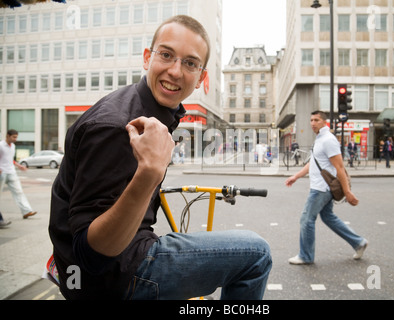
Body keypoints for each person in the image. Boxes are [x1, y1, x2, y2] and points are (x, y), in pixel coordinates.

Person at [49, 15, 271, 300]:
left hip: (115, 261)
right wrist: (149, 173)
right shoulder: (116, 127)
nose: (176, 71)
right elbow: (92, 255)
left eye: (190, 63)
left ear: (201, 77)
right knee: (256, 253)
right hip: (115, 277)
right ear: (147, 58)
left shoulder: (150, 110)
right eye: (166, 55)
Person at [285, 111, 367, 265]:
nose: (313, 123)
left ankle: (306, 256)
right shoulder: (320, 139)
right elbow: (313, 162)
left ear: (324, 122)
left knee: (306, 219)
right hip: (321, 186)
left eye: (317, 120)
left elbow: (340, 167)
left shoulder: (328, 140)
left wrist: (347, 192)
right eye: (311, 120)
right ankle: (359, 242)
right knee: (328, 217)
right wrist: (296, 176)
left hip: (321, 188)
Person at [0, 129, 37, 221]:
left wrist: (19, 165)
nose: (15, 139)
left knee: (19, 192)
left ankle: (26, 211)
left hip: (11, 172)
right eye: (14, 137)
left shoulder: (13, 146)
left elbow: (10, 159)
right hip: (1, 172)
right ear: (8, 136)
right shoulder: (1, 145)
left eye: (16, 137)